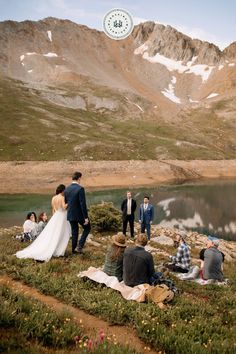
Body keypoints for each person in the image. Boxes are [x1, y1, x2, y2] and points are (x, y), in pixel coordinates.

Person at [15, 184, 71, 262]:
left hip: (55, 217)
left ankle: (55, 249)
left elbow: (54, 209)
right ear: (63, 190)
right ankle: (58, 251)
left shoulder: (53, 198)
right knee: (62, 233)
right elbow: (64, 207)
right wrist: (70, 201)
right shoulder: (62, 197)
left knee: (54, 233)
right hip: (62, 217)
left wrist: (54, 217)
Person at [64, 171, 91, 254]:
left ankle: (74, 251)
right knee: (87, 228)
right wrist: (86, 217)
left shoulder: (67, 189)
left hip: (70, 214)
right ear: (79, 178)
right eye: (80, 179)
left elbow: (66, 202)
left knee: (74, 232)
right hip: (79, 215)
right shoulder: (80, 188)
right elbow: (83, 204)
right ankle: (79, 246)